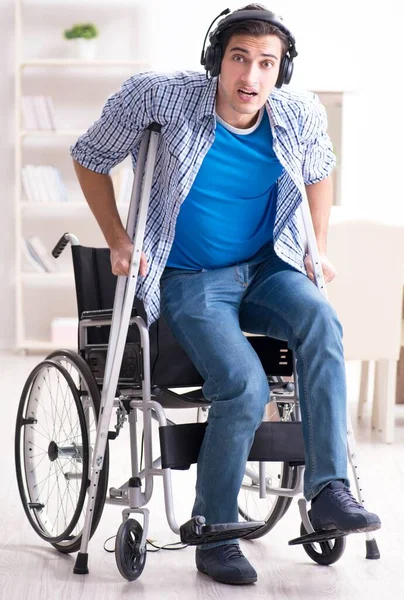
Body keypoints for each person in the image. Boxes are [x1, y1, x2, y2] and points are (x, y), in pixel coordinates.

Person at [71, 4, 381, 586]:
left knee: (321, 321)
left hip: (268, 266)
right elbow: (90, 158)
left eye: (267, 63)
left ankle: (328, 491)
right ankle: (213, 532)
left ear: (281, 70)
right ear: (217, 60)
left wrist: (317, 247)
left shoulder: (298, 112)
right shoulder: (158, 97)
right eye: (240, 58)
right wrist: (117, 238)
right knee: (243, 383)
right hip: (190, 277)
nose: (252, 77)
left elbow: (320, 170)